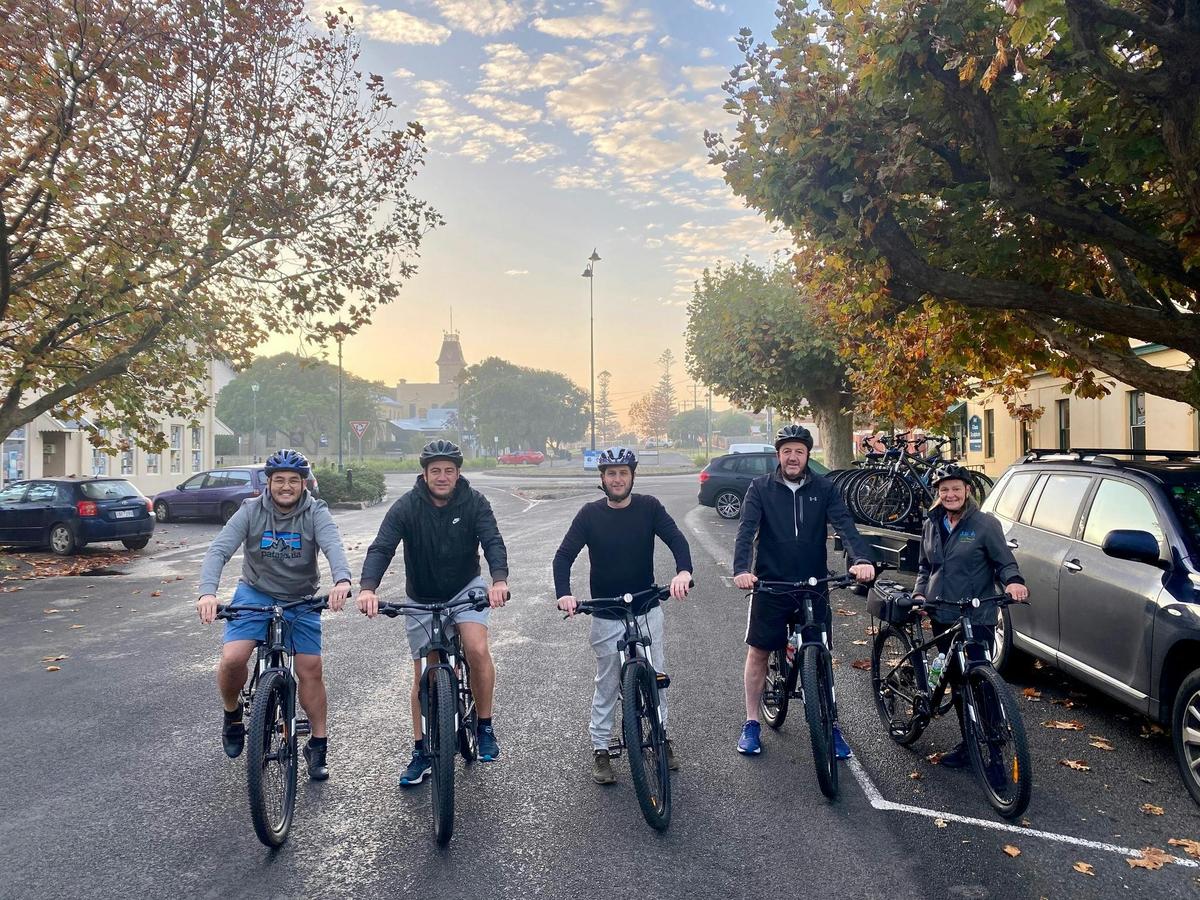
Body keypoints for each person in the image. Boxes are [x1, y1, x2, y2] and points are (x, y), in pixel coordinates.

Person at [357, 439, 509, 785]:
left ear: (457, 473)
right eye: (435, 471)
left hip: (465, 586)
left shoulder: (474, 502)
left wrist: (498, 580)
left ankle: (484, 726)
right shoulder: (407, 506)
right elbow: (382, 547)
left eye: (449, 471)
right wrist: (368, 588)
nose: (442, 476)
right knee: (424, 674)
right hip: (422, 595)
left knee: (476, 647)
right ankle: (422, 750)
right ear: (424, 474)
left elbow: (493, 541)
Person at [196, 448, 352, 781]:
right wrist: (208, 591)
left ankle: (318, 744)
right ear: (268, 483)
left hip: (300, 597)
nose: (285, 486)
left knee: (310, 667)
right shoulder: (251, 510)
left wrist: (342, 579)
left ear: (303, 483)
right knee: (233, 658)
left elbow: (333, 545)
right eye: (278, 480)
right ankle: (233, 713)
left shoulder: (315, 511)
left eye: (293, 481)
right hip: (255, 593)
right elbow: (219, 549)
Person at [732, 424, 876, 758]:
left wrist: (862, 558)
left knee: (821, 653)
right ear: (778, 455)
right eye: (787, 451)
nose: (793, 457)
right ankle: (752, 722)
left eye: (799, 451)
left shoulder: (824, 488)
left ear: (807, 454)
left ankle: (831, 724)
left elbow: (845, 526)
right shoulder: (760, 488)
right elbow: (746, 531)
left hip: (814, 584)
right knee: (759, 652)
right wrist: (742, 570)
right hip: (771, 583)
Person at [554, 446, 693, 785]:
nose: (617, 479)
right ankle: (601, 750)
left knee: (657, 676)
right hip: (606, 611)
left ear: (632, 475)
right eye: (611, 474)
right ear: (602, 479)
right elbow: (563, 557)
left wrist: (683, 572)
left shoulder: (649, 507)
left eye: (623, 473)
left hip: (646, 606)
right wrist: (564, 595)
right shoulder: (589, 514)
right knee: (607, 683)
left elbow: (676, 539)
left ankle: (661, 736)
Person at [912, 464, 1028, 768]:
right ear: (938, 493)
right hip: (941, 612)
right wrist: (920, 594)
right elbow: (925, 567)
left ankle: (994, 751)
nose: (950, 494)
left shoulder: (985, 525)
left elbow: (1004, 562)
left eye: (956, 489)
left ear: (967, 491)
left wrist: (1014, 581)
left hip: (977, 615)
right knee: (957, 679)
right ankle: (968, 744)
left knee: (980, 679)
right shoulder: (932, 523)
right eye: (944, 489)